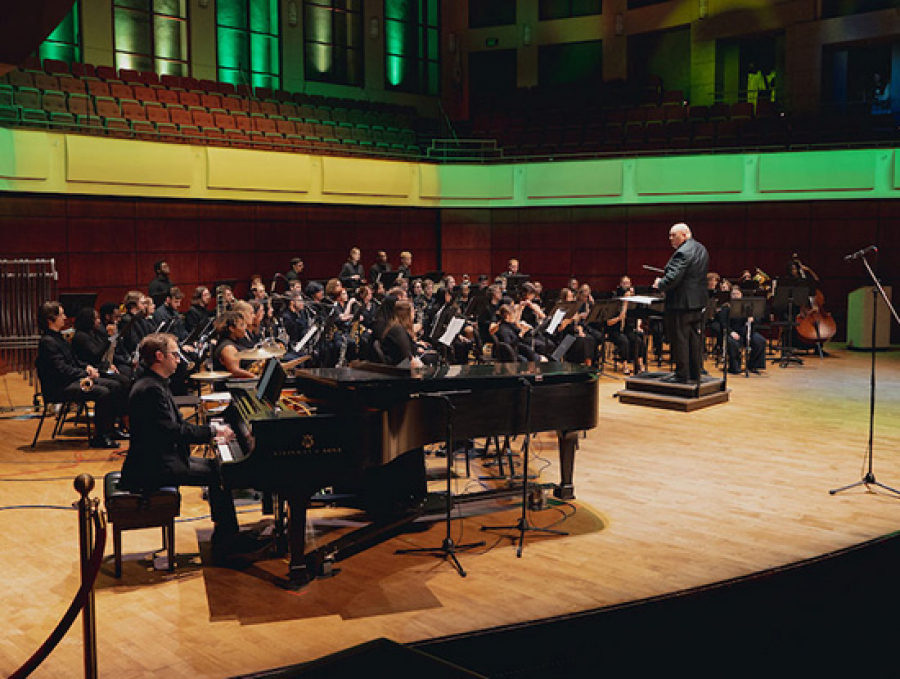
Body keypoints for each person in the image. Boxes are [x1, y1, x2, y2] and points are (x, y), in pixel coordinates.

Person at [119, 333, 265, 561]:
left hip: (160, 456)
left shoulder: (154, 383)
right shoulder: (151, 389)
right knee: (219, 473)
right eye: (175, 355)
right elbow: (172, 431)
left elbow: (174, 427)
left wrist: (211, 433)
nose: (179, 360)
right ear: (159, 357)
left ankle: (225, 534)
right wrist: (213, 432)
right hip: (152, 467)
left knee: (217, 467)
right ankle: (227, 542)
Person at [35, 301, 128, 449]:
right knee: (103, 392)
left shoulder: (58, 338)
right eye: (61, 315)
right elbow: (61, 370)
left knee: (115, 385)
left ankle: (110, 430)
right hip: (60, 387)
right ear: (50, 319)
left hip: (71, 380)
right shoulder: (48, 342)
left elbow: (73, 361)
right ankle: (101, 437)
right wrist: (84, 373)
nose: (65, 317)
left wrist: (87, 367)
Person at [653, 223, 709, 383]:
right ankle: (694, 373)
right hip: (698, 303)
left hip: (681, 304)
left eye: (673, 235)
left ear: (685, 234)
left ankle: (682, 375)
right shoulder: (701, 249)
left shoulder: (682, 252)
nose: (670, 238)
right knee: (694, 340)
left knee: (680, 339)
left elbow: (673, 278)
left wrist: (660, 284)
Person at [380, 300, 424, 367]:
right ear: (406, 314)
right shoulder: (398, 330)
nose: (414, 312)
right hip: (400, 368)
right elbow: (408, 358)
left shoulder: (398, 327)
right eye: (412, 310)